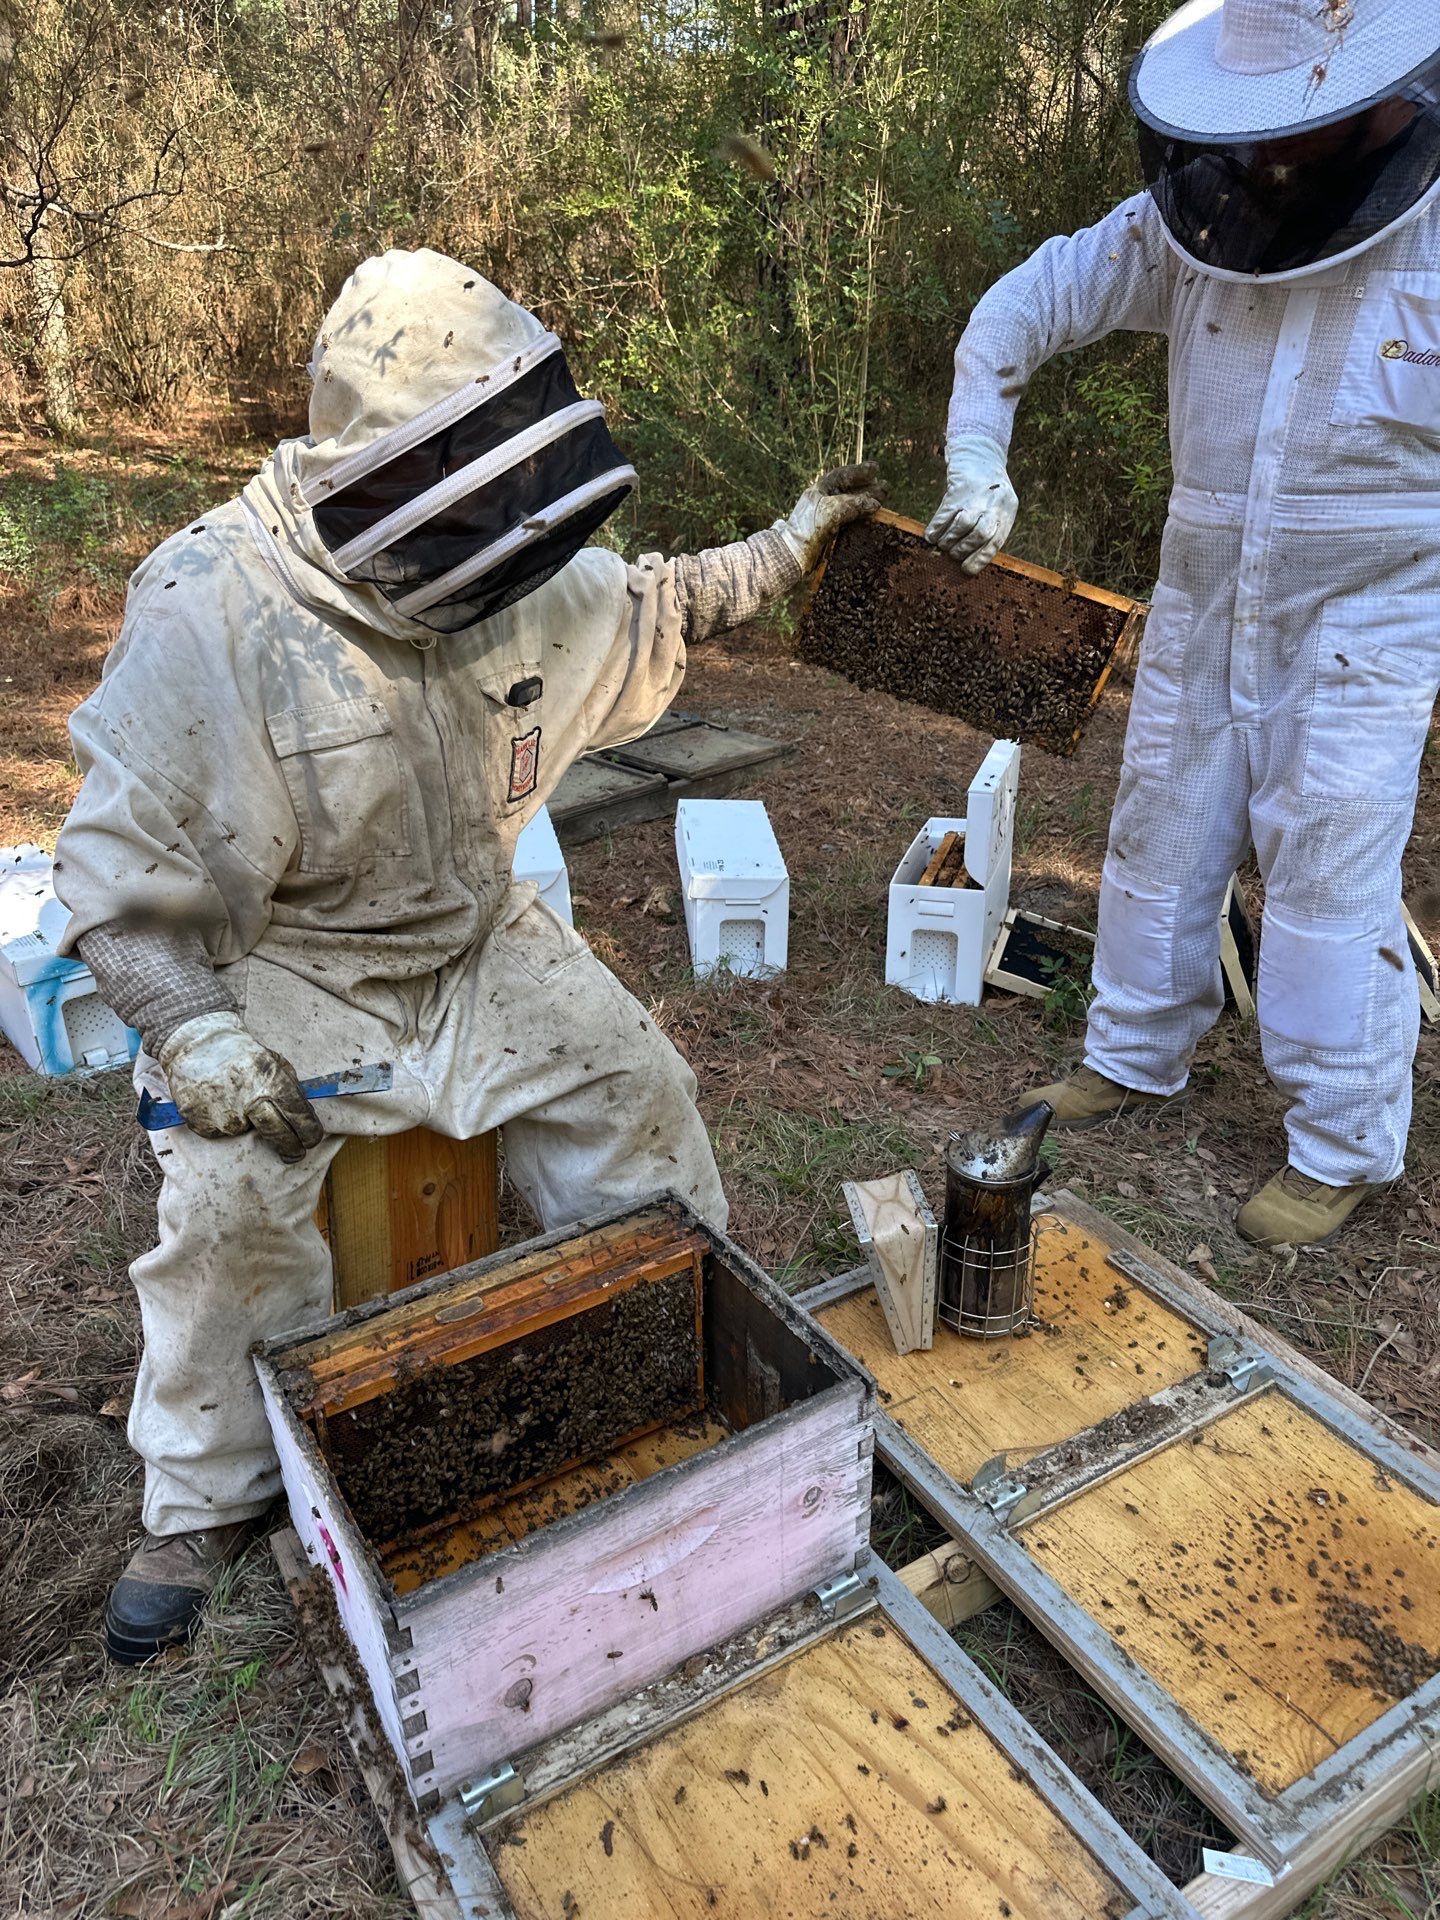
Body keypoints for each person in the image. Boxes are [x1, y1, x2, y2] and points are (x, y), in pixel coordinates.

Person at [53, 247, 881, 1663]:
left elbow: (658, 604)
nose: (498, 534)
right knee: (231, 1202)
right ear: (376, 472)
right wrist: (192, 1032)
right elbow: (123, 898)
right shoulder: (211, 608)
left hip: (484, 941)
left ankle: (670, 1359)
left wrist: (793, 544)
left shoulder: (514, 565)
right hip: (291, 968)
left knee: (640, 1098)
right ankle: (202, 1498)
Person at [928, 0, 1440, 1253]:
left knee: (1330, 874)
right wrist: (977, 456)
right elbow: (1017, 310)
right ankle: (1131, 1058)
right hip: (1204, 590)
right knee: (1157, 832)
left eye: (1302, 127)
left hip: (1377, 608)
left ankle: (1339, 1145)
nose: (1271, 158)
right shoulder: (1188, 224)